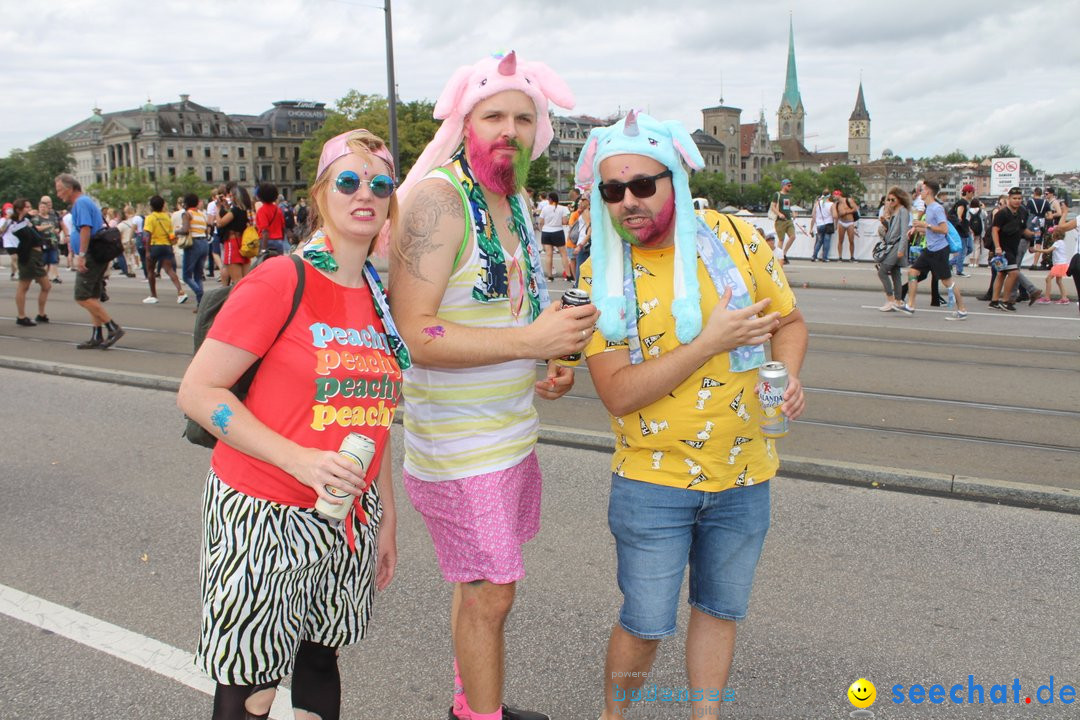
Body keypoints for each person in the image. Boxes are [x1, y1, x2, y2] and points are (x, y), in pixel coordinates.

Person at [573, 111, 806, 720]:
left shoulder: (736, 238)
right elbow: (618, 394)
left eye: (643, 185)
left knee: (720, 612)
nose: (628, 202)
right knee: (646, 624)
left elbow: (790, 321)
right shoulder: (599, 273)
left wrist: (790, 375)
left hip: (744, 473)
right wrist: (709, 342)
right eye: (612, 191)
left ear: (674, 178)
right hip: (652, 482)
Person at [178, 129, 408, 720]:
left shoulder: (379, 297)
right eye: (348, 181)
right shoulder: (283, 279)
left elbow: (372, 418)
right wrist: (299, 460)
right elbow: (199, 392)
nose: (366, 194)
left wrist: (383, 514)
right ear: (321, 193)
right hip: (262, 511)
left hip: (345, 515)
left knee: (318, 661)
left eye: (380, 184)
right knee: (251, 683)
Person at [391, 50, 593, 720]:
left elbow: (514, 303)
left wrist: (549, 351)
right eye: (494, 115)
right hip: (457, 445)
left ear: (541, 130)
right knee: (492, 594)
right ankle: (479, 716)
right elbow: (414, 334)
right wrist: (527, 343)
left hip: (508, 435)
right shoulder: (439, 201)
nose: (508, 128)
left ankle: (470, 700)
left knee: (477, 586)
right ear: (466, 121)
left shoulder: (515, 199)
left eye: (523, 117)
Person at [54, 174, 125, 348]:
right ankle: (97, 335)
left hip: (91, 255)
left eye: (60, 190)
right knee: (92, 296)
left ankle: (112, 327)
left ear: (70, 188)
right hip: (94, 253)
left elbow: (86, 228)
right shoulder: (82, 203)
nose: (58, 194)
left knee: (82, 296)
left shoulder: (81, 203)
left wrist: (81, 254)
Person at [898, 179, 968, 320]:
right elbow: (930, 230)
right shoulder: (928, 207)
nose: (920, 192)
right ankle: (910, 305)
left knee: (947, 281)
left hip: (940, 251)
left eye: (922, 190)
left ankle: (962, 310)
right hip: (930, 249)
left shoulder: (936, 208)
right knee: (913, 272)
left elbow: (943, 229)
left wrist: (926, 225)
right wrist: (917, 229)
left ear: (928, 192)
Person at [988, 187, 1038, 311]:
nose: (1017, 201)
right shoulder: (1002, 213)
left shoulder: (1021, 212)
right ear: (1009, 199)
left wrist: (1032, 235)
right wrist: (997, 247)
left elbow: (1022, 229)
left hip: (1013, 247)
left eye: (1019, 198)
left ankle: (994, 301)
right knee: (1014, 273)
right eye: (1014, 198)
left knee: (1001, 274)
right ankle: (1006, 301)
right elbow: (994, 230)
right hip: (1004, 248)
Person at [9, 198, 52, 326]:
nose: (30, 209)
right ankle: (22, 316)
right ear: (19, 209)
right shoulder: (15, 223)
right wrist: (27, 216)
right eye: (26, 207)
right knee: (24, 286)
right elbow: (21, 233)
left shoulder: (26, 221)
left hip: (37, 255)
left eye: (29, 206)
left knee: (45, 286)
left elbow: (34, 230)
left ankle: (41, 314)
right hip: (28, 256)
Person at [142, 195, 188, 304]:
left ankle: (153, 295)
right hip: (166, 246)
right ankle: (180, 292)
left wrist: (147, 251)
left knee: (150, 270)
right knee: (169, 270)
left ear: (151, 206)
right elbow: (171, 234)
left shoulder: (150, 218)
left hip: (155, 246)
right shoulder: (167, 217)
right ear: (163, 205)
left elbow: (147, 235)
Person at [876, 187, 911, 311]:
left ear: (900, 198)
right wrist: (885, 223)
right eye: (888, 199)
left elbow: (903, 232)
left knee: (882, 271)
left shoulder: (903, 211)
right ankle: (898, 300)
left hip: (896, 246)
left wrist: (901, 249)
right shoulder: (894, 211)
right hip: (892, 245)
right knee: (896, 273)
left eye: (893, 199)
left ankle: (891, 300)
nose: (890, 202)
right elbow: (891, 231)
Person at [216, 182, 253, 286]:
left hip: (233, 243)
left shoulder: (236, 210)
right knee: (245, 280)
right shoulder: (247, 210)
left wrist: (218, 209)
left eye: (231, 196)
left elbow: (220, 223)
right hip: (243, 243)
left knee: (237, 281)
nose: (230, 198)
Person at [180, 193, 210, 308]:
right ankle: (200, 304)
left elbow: (185, 230)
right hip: (204, 244)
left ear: (186, 203)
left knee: (186, 276)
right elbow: (206, 231)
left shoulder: (187, 214)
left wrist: (177, 232)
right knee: (198, 275)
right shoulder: (202, 215)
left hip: (194, 244)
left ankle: (200, 294)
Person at [537, 191, 572, 281]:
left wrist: (542, 228)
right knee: (563, 254)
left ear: (550, 199)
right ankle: (568, 275)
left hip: (546, 232)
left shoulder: (545, 209)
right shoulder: (562, 208)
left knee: (549, 254)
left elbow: (541, 221)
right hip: (558, 231)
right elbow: (565, 222)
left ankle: (550, 276)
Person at [31, 196, 62, 283]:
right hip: (42, 241)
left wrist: (56, 231)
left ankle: (53, 276)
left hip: (52, 241)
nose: (43, 209)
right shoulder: (36, 218)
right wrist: (47, 226)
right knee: (43, 261)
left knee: (53, 260)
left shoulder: (53, 217)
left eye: (44, 207)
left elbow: (57, 227)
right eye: (41, 207)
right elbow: (36, 228)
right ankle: (40, 276)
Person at [254, 183, 288, 258]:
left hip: (266, 242)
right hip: (278, 242)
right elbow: (283, 227)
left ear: (260, 196)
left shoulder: (261, 211)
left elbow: (265, 231)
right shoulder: (278, 209)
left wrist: (263, 249)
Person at [949, 184, 975, 277]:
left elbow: (966, 218)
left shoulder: (966, 203)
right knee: (963, 250)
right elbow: (959, 216)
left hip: (965, 228)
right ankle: (959, 270)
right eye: (972, 192)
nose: (973, 194)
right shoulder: (962, 202)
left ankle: (950, 263)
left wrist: (968, 227)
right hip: (960, 229)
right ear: (967, 192)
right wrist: (960, 222)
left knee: (970, 248)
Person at [770, 178, 795, 264]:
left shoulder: (788, 196)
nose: (790, 187)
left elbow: (788, 207)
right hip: (780, 220)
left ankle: (783, 253)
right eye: (788, 185)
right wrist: (779, 213)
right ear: (784, 185)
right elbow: (773, 206)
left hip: (788, 219)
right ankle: (778, 257)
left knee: (793, 236)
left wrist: (793, 212)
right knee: (781, 239)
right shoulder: (777, 194)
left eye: (790, 186)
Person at [810, 189, 836, 262]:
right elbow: (834, 215)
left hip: (819, 224)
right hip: (828, 224)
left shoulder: (817, 203)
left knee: (819, 241)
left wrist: (816, 223)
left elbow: (813, 214)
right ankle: (824, 257)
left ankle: (814, 256)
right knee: (826, 241)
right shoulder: (831, 204)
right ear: (829, 195)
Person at [835, 189, 858, 261]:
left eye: (835, 196)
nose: (834, 197)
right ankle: (840, 257)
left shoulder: (849, 200)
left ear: (839, 195)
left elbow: (855, 208)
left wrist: (846, 212)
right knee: (840, 240)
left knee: (851, 240)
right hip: (841, 222)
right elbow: (836, 215)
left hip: (850, 222)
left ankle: (852, 256)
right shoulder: (837, 204)